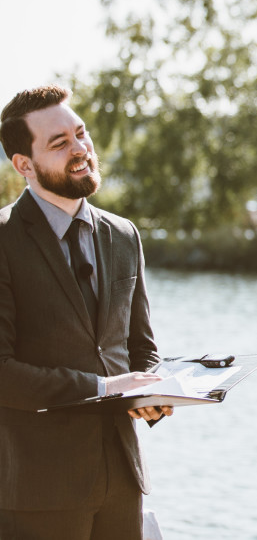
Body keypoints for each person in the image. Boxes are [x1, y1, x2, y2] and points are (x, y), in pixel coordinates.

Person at [0, 85, 172, 539]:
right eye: (59, 143)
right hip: (38, 490)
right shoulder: (2, 239)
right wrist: (104, 388)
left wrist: (153, 392)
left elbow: (141, 347)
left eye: (81, 134)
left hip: (124, 482)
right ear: (24, 165)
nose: (80, 149)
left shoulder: (123, 234)